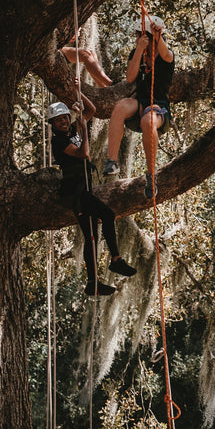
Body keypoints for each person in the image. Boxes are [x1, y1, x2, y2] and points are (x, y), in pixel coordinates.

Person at [48, 101, 136, 298]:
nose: (62, 121)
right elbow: (84, 153)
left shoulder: (72, 129)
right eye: (58, 120)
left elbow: (92, 110)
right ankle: (115, 259)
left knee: (91, 236)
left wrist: (78, 92)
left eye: (64, 118)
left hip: (82, 189)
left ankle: (92, 283)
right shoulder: (59, 141)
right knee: (107, 214)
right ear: (52, 124)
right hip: (75, 193)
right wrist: (85, 130)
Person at [103, 15, 174, 200]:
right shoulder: (137, 52)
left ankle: (151, 176)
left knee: (148, 121)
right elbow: (130, 77)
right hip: (140, 101)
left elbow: (165, 54)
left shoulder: (167, 55)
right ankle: (112, 161)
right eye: (137, 36)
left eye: (142, 36)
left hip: (159, 106)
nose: (138, 39)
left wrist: (158, 38)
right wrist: (139, 50)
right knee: (119, 107)